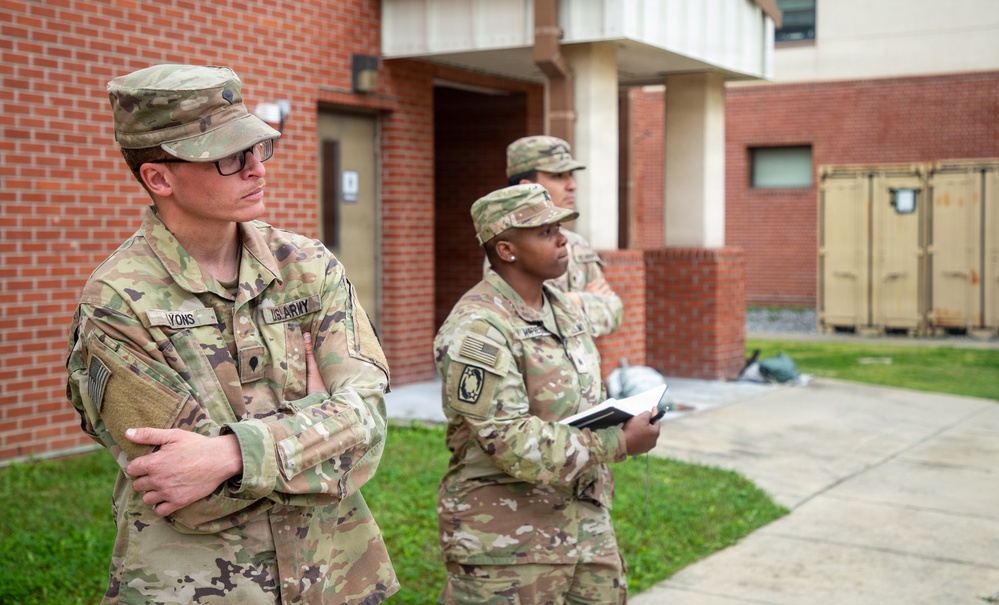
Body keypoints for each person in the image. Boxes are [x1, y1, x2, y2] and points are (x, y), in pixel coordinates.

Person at [65, 64, 398, 605]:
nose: (255, 170)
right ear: (159, 177)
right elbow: (187, 496)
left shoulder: (309, 267)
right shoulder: (117, 302)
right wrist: (318, 419)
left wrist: (230, 455)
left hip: (334, 574)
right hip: (201, 588)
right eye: (227, 156)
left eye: (256, 149)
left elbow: (370, 431)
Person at [434, 183, 662, 604]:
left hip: (586, 526)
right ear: (506, 250)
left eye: (560, 227)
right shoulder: (479, 328)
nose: (563, 240)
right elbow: (511, 441)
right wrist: (620, 441)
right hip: (508, 542)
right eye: (544, 232)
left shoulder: (561, 307)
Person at [501, 135, 623, 338]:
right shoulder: (508, 247)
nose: (572, 185)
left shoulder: (576, 243)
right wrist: (580, 300)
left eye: (570, 175)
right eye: (558, 176)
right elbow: (522, 324)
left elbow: (614, 311)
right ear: (525, 186)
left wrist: (564, 304)